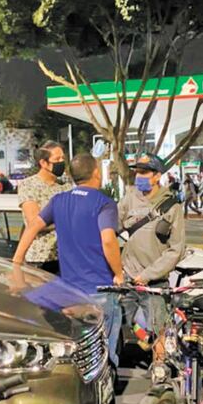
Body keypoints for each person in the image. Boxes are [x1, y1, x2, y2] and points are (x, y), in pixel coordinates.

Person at [12, 153, 124, 366]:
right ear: (96, 173)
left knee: (80, 350)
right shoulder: (104, 203)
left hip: (70, 291)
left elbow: (33, 226)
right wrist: (118, 273)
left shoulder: (59, 200)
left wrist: (16, 262)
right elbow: (108, 240)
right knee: (104, 352)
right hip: (99, 289)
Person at [119, 153, 186, 347]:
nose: (139, 176)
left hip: (155, 283)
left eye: (144, 172)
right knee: (120, 324)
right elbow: (109, 230)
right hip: (127, 279)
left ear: (157, 175)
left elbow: (176, 249)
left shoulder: (172, 206)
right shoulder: (129, 199)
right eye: (137, 172)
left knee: (159, 334)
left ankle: (161, 372)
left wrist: (148, 275)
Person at [16, 141, 70, 274]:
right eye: (57, 159)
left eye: (63, 158)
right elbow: (34, 221)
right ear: (44, 163)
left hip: (64, 257)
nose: (61, 162)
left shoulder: (65, 186)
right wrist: (63, 220)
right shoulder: (28, 185)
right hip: (40, 259)